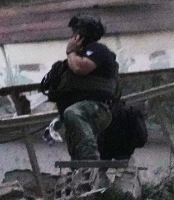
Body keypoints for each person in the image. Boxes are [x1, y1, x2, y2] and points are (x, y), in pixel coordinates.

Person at [41, 16, 119, 161]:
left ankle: (90, 157)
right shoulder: (76, 56)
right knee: (77, 157)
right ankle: (85, 172)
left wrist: (70, 52)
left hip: (95, 108)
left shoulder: (97, 50)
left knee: (74, 115)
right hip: (77, 113)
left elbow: (80, 68)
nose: (73, 35)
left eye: (76, 32)